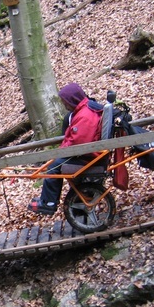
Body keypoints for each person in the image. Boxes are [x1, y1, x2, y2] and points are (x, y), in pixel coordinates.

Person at [28, 83, 102, 215]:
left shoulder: (85, 115)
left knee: (53, 167)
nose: (64, 105)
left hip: (87, 156)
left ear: (72, 100)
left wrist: (61, 151)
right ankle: (48, 200)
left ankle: (48, 203)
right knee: (54, 163)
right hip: (85, 153)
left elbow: (79, 141)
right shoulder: (81, 112)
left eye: (65, 102)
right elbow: (73, 138)